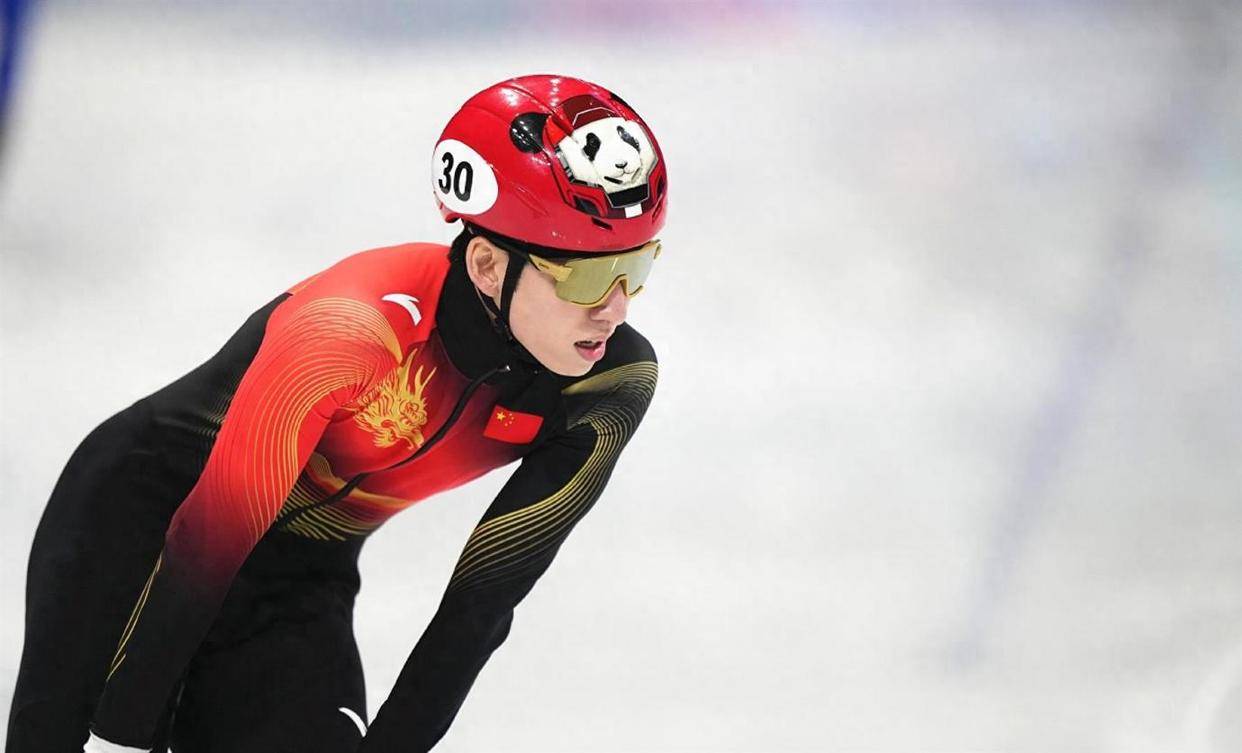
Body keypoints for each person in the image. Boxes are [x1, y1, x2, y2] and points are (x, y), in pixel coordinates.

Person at [6, 73, 668, 753]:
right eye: (589, 277)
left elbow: (481, 603)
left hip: (296, 581)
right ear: (488, 266)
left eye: (636, 268)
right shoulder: (352, 330)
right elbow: (207, 537)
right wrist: (119, 736)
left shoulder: (609, 384)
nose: (615, 308)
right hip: (141, 529)